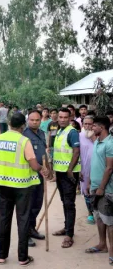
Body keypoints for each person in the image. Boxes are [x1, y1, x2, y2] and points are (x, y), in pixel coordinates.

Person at [0, 113, 48, 266]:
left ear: (8, 123)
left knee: (3, 220)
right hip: (22, 187)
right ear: (23, 125)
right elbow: (34, 166)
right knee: (23, 220)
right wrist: (43, 169)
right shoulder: (24, 141)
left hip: (2, 186)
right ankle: (23, 258)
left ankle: (1, 256)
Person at [85, 116, 113, 264]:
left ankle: (112, 252)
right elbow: (94, 163)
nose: (91, 128)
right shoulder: (96, 142)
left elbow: (109, 168)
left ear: (101, 128)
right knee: (99, 218)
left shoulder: (110, 143)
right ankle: (102, 245)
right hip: (95, 187)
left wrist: (102, 187)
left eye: (94, 126)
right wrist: (90, 182)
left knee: (109, 220)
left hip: (106, 189)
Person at [52, 108, 81, 248]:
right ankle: (67, 228)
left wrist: (70, 170)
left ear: (70, 118)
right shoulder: (59, 131)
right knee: (64, 201)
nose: (62, 119)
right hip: (60, 172)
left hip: (69, 173)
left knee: (69, 204)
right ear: (57, 118)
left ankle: (69, 235)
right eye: (60, 117)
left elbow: (76, 151)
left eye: (65, 117)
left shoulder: (72, 132)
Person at [23, 110, 49, 247]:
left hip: (40, 175)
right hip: (28, 177)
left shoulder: (41, 133)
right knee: (28, 206)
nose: (34, 122)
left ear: (41, 120)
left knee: (37, 204)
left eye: (37, 120)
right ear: (28, 120)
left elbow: (44, 153)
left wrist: (48, 168)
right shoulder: (24, 135)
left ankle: (32, 229)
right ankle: (25, 235)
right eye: (32, 120)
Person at [79, 116, 95, 224]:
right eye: (85, 124)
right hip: (84, 169)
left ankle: (98, 212)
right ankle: (90, 213)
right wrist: (79, 169)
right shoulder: (79, 136)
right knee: (86, 192)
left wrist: (93, 137)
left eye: (90, 124)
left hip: (97, 169)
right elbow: (76, 153)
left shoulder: (99, 137)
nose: (88, 126)